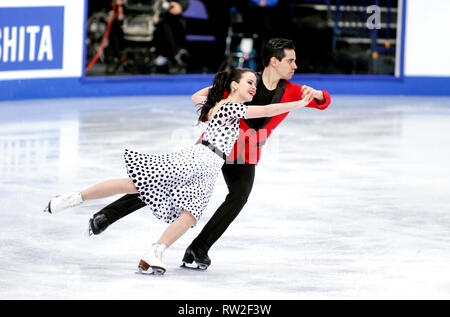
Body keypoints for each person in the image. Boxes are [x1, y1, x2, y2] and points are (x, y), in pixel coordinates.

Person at [87, 38, 331, 270]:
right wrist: (211, 110)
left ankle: (198, 249)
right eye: (291, 61)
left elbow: (323, 100)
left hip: (244, 154)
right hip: (213, 148)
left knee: (239, 196)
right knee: (165, 182)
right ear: (274, 62)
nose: (295, 66)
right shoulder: (244, 81)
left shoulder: (291, 90)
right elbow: (206, 96)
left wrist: (317, 94)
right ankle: (107, 215)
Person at [44, 68, 316, 275]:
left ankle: (155, 252)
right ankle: (72, 198)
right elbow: (266, 109)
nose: (254, 87)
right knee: (136, 185)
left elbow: (199, 98)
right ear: (234, 85)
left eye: (255, 84)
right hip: (198, 159)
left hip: (209, 168)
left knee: (189, 216)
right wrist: (300, 104)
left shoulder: (224, 104)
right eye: (249, 82)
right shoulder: (231, 106)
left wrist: (218, 89)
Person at [152, 0, 190, 73]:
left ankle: (175, 56)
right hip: (149, 14)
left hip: (170, 18)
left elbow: (184, 2)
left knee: (168, 22)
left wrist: (180, 6)